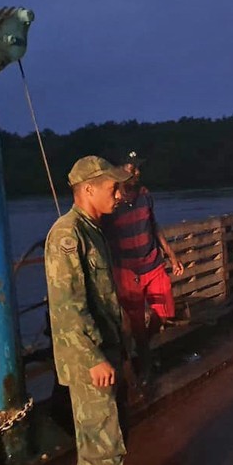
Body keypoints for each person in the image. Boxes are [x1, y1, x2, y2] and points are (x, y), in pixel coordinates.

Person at [44, 156, 155, 465]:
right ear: (87, 188)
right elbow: (69, 307)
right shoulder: (68, 236)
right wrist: (93, 358)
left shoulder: (94, 232)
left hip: (104, 354)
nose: (119, 192)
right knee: (101, 449)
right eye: (112, 186)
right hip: (90, 361)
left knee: (109, 440)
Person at [101, 151, 183, 388]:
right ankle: (145, 364)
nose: (136, 172)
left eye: (137, 168)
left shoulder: (145, 195)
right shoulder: (110, 205)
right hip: (127, 270)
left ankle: (144, 345)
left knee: (166, 308)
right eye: (131, 167)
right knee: (135, 320)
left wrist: (172, 255)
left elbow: (154, 226)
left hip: (153, 262)